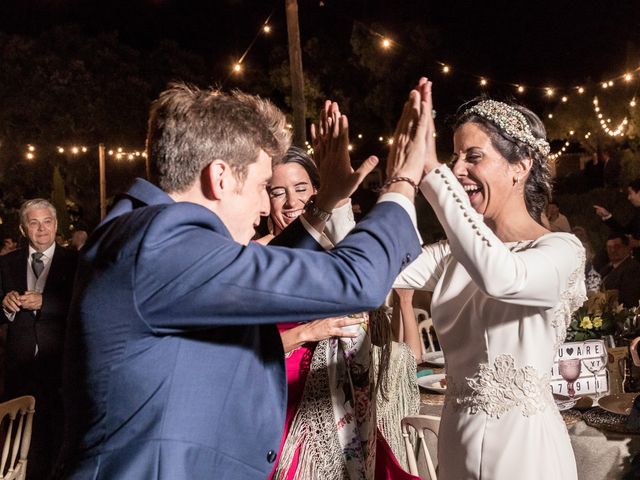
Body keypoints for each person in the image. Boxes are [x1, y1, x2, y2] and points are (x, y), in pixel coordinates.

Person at [57, 83, 425, 479]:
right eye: (260, 186)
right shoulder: (160, 243)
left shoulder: (142, 231)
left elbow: (258, 267)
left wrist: (325, 200)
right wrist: (401, 184)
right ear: (219, 177)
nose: (266, 206)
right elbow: (355, 280)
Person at [394, 85, 586, 479]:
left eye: (473, 157)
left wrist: (434, 176)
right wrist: (337, 202)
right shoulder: (453, 254)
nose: (456, 169)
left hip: (527, 453)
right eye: (452, 157)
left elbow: (503, 277)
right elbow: (374, 268)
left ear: (521, 166)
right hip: (456, 443)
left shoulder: (562, 250)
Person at [264, 145, 419, 479]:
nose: (292, 202)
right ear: (266, 199)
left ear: (319, 190)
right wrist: (307, 332)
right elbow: (236, 352)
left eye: (301, 189)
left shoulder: (339, 256)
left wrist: (343, 200)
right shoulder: (255, 257)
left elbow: (369, 308)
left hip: (344, 402)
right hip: (282, 407)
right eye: (278, 192)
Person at [0, 199, 78, 480]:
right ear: (23, 229)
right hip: (19, 369)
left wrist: (45, 303)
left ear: (56, 225)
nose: (41, 228)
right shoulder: (6, 263)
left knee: (59, 439)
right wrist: (4, 307)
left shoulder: (78, 262)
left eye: (47, 222)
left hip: (60, 368)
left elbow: (84, 308)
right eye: (33, 223)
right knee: (20, 443)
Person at [593, 177, 640, 257]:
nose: (628, 198)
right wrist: (607, 216)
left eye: (630, 193)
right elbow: (625, 232)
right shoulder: (637, 213)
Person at [598, 232, 640, 308]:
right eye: (609, 247)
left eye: (617, 246)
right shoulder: (606, 268)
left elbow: (629, 299)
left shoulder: (633, 268)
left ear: (627, 247)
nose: (613, 250)